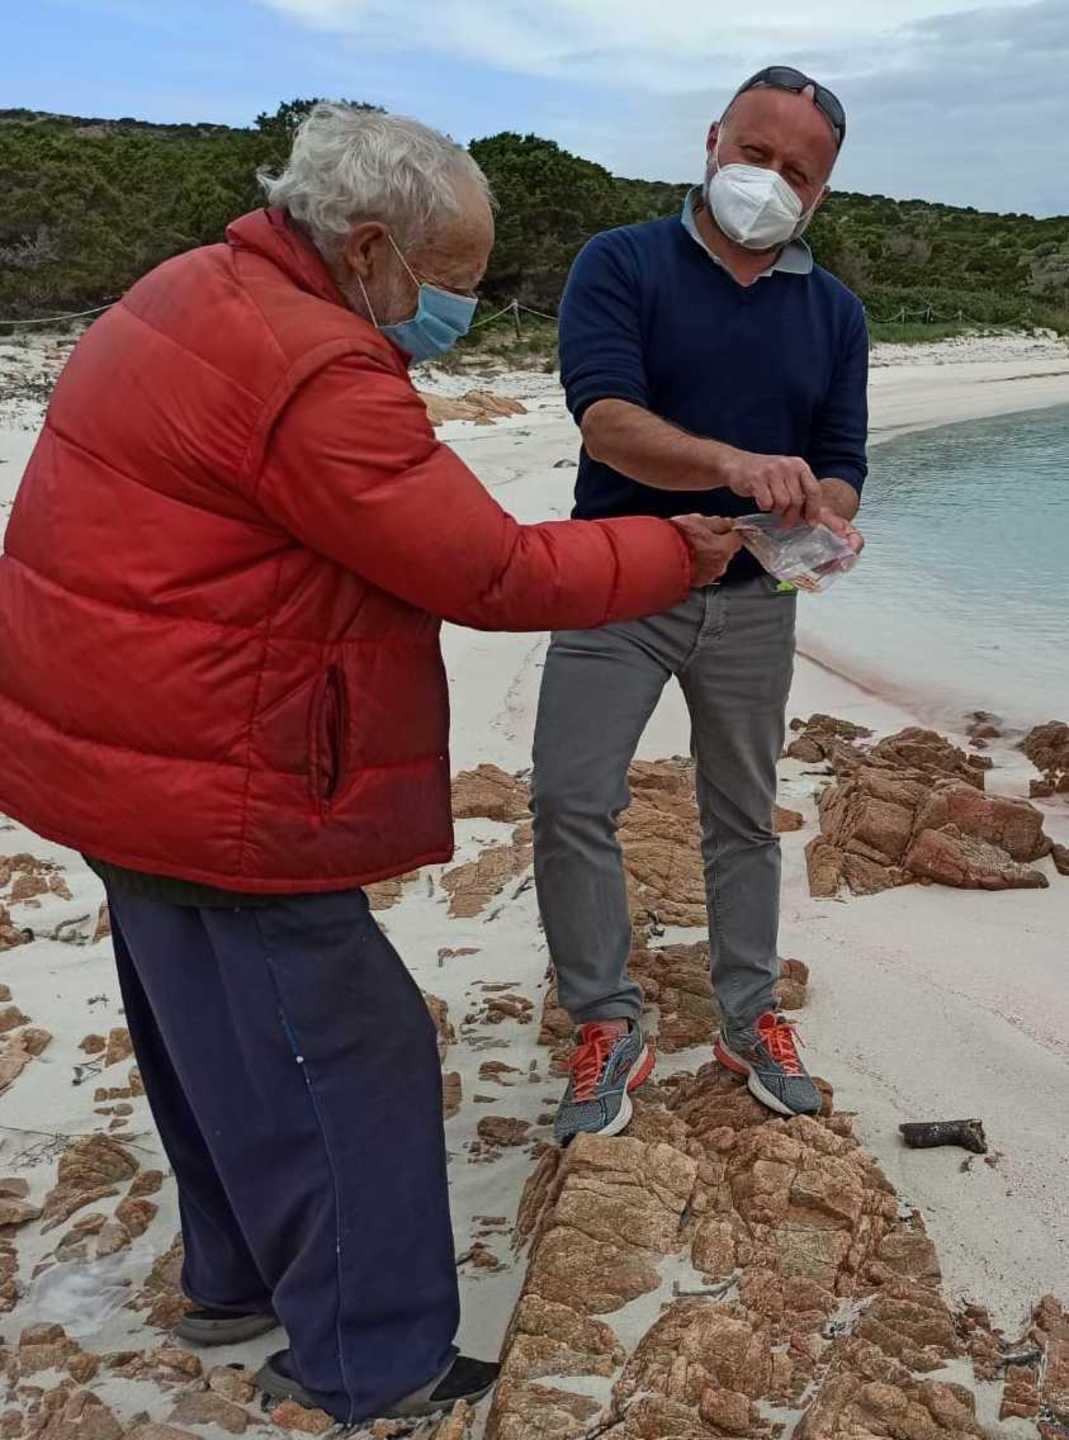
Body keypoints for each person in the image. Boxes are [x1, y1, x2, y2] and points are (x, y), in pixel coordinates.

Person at [0, 106, 741, 1425]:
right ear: (368, 246)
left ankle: (234, 1282)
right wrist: (679, 552)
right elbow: (491, 570)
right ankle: (372, 1359)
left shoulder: (190, 288)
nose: (466, 302)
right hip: (217, 762)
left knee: (209, 1039)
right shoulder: (311, 367)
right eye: (457, 278)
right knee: (349, 1053)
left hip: (109, 746)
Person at [532, 67, 869, 1145]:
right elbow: (606, 420)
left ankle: (748, 1015)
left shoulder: (834, 312)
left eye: (796, 173)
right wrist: (730, 468)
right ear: (714, 138)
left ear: (819, 193)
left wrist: (817, 517)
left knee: (742, 816)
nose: (768, 181)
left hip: (753, 599)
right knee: (569, 801)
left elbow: (844, 461)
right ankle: (603, 1021)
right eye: (756, 153)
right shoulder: (620, 262)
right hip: (616, 578)